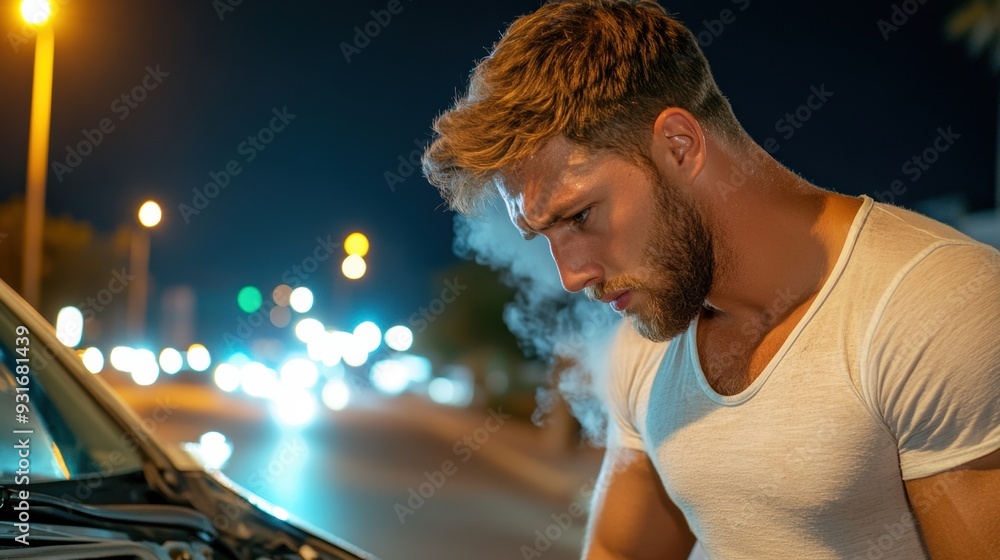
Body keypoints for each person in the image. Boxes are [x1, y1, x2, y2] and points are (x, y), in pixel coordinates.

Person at [421, 1, 1000, 558]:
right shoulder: (647, 339)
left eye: (579, 216)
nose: (571, 276)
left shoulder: (934, 308)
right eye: (544, 235)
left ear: (679, 145)